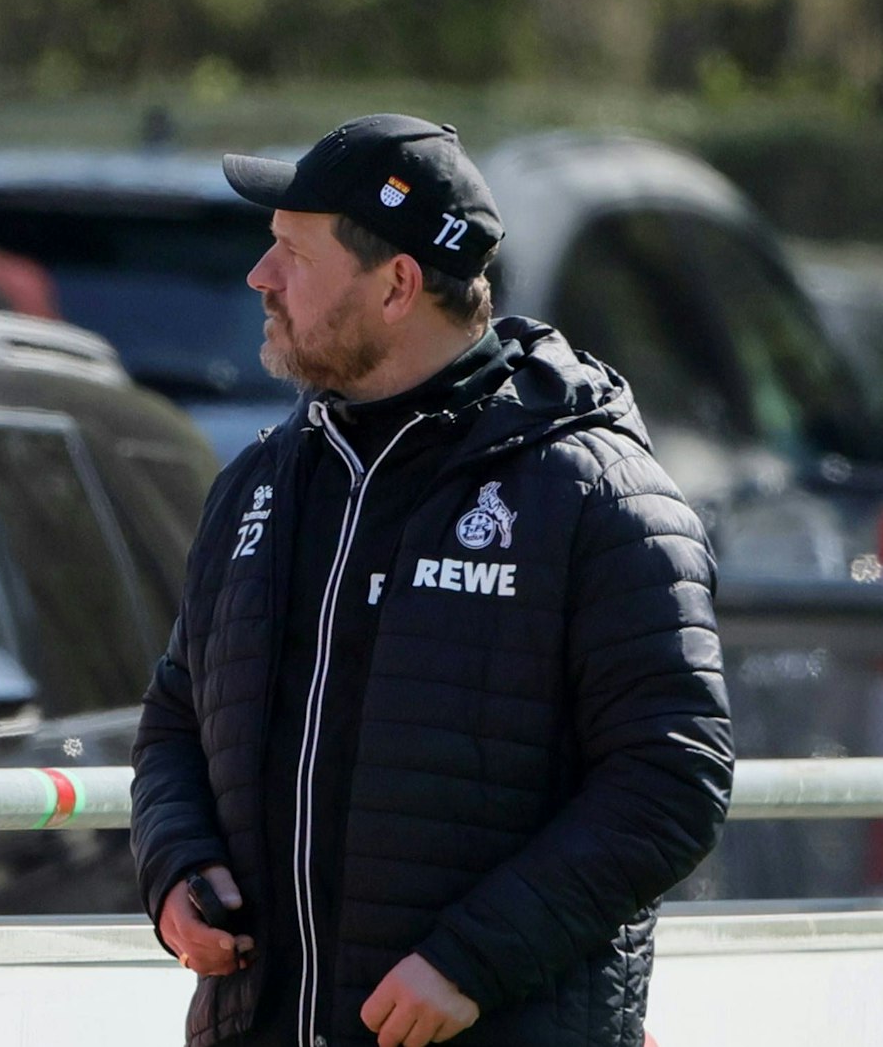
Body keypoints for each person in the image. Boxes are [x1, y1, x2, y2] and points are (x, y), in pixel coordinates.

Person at [130, 114, 733, 1047]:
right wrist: (176, 868)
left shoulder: (596, 496)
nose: (260, 277)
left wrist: (471, 961)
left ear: (399, 284)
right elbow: (176, 715)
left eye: (293, 251)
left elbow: (671, 778)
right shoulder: (258, 481)